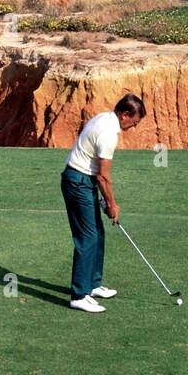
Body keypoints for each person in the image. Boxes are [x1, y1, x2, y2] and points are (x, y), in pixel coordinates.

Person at [61, 94, 146, 312]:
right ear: (125, 114)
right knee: (87, 238)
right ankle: (79, 296)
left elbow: (97, 176)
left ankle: (93, 284)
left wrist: (106, 202)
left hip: (84, 180)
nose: (133, 127)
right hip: (78, 181)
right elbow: (103, 177)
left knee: (97, 233)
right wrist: (112, 205)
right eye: (134, 122)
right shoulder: (109, 132)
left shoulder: (104, 118)